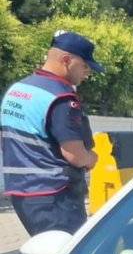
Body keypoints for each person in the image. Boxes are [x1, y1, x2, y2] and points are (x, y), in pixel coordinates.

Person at [1, 31, 103, 236]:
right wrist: (92, 158)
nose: (87, 72)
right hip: (55, 197)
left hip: (21, 193)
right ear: (66, 60)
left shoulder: (17, 90)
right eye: (85, 66)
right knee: (70, 252)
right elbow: (74, 155)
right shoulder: (61, 97)